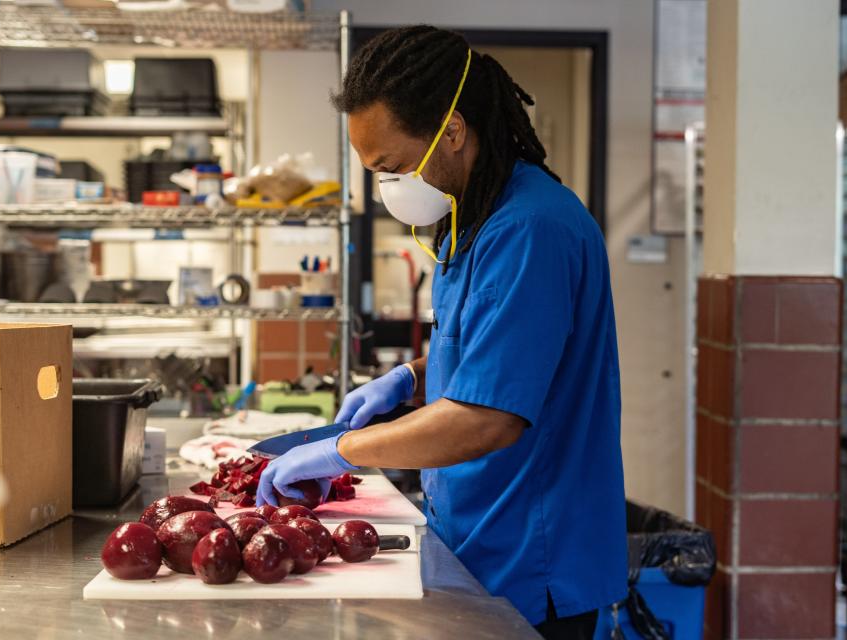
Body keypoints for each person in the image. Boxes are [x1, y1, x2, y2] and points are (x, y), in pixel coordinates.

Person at [256, 25, 626, 639]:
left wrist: (339, 450)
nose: (386, 188)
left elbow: (489, 415)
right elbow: (497, 355)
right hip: (479, 536)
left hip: (532, 560)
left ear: (452, 131)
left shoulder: (530, 228)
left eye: (391, 167)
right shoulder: (469, 217)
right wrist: (408, 381)